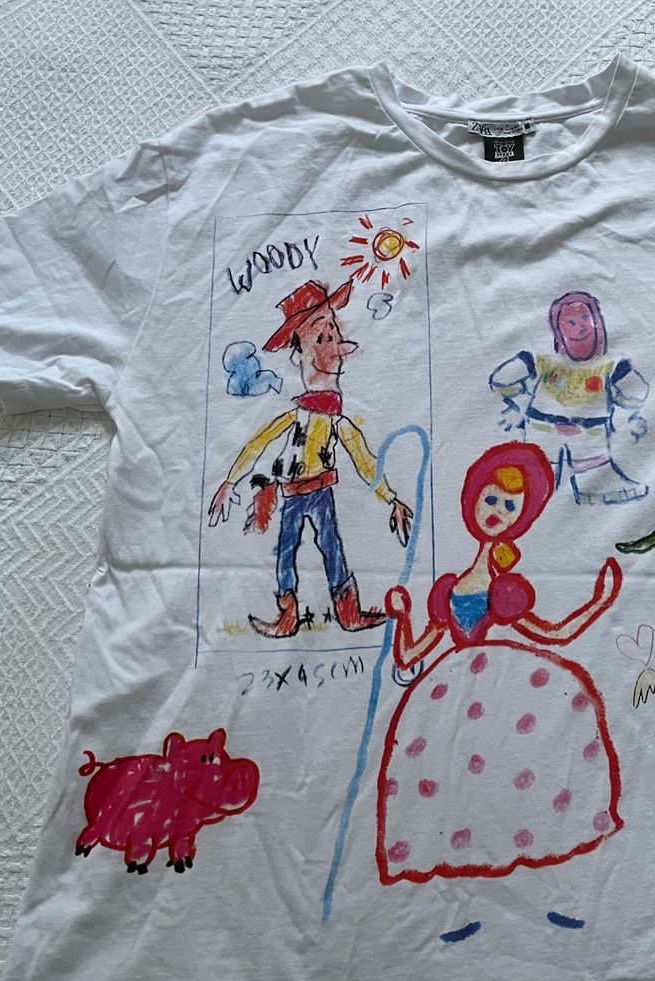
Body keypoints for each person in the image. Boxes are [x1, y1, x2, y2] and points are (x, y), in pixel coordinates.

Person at [378, 442, 623, 938]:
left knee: (523, 786)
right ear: (472, 502)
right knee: (455, 794)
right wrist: (402, 617)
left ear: (520, 520)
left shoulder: (505, 589)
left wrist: (600, 603)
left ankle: (555, 897)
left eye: (510, 506)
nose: (497, 511)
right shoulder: (448, 588)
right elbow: (409, 655)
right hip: (449, 691)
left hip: (504, 691)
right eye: (490, 499)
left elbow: (554, 635)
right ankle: (460, 911)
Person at [208, 279, 413, 635]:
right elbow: (256, 444)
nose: (331, 346)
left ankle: (348, 613)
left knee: (330, 548)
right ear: (298, 354)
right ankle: (288, 616)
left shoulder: (337, 423)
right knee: (286, 550)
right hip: (291, 493)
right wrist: (230, 481)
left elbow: (366, 462)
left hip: (320, 491)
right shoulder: (294, 416)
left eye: (333, 335)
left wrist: (391, 498)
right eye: (320, 338)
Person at [488, 290, 649, 504]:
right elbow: (500, 379)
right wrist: (519, 401)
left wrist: (628, 411)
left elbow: (638, 391)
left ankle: (596, 482)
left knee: (592, 467)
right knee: (534, 473)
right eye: (571, 322)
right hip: (544, 430)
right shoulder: (545, 363)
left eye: (585, 318)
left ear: (598, 322)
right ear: (558, 330)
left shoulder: (610, 367)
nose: (580, 327)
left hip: (589, 434)